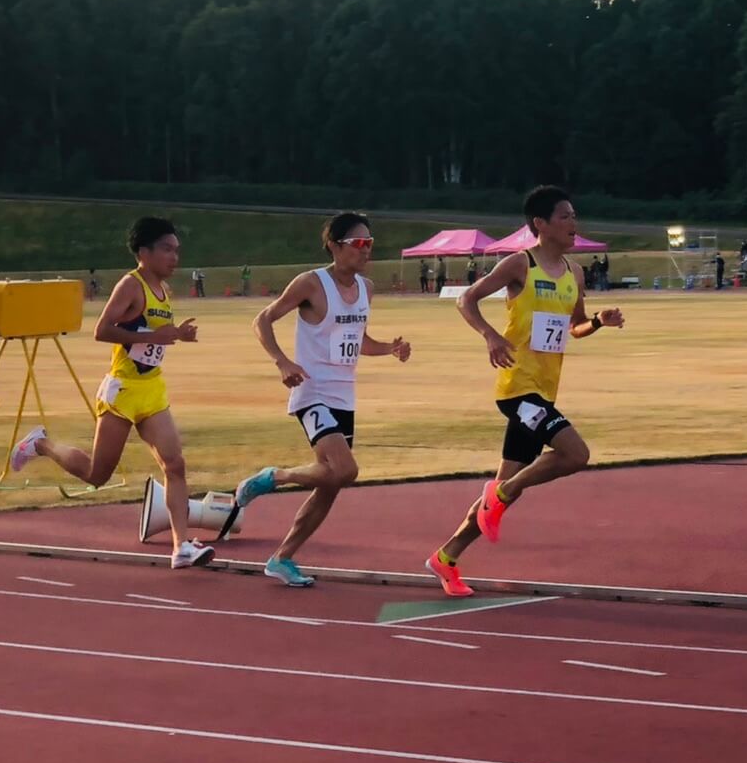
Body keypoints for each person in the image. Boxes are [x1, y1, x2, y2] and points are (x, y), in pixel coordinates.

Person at [424, 185, 625, 598]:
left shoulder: (575, 272)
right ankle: (502, 493)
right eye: (566, 216)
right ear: (541, 224)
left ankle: (445, 557)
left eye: (574, 215)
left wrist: (600, 322)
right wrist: (491, 337)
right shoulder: (521, 264)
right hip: (518, 388)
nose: (574, 223)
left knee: (504, 490)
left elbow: (576, 327)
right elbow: (467, 299)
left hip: (544, 391)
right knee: (575, 454)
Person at [10, 218, 214, 570]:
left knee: (175, 464)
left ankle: (181, 547)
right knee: (97, 474)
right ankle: (41, 444)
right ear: (143, 252)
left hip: (153, 391)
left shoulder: (164, 291)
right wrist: (154, 338)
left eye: (177, 250)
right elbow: (102, 330)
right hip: (122, 392)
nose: (174, 257)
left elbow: (154, 333)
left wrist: (178, 334)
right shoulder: (131, 285)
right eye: (167, 249)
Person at [233, 212, 412, 587]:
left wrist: (390, 349)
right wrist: (282, 361)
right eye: (358, 243)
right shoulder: (311, 284)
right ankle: (274, 476)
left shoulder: (367, 288)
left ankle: (282, 559)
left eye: (370, 244)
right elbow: (262, 320)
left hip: (344, 396)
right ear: (334, 245)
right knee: (346, 470)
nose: (366, 251)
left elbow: (358, 340)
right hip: (312, 391)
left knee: (329, 484)